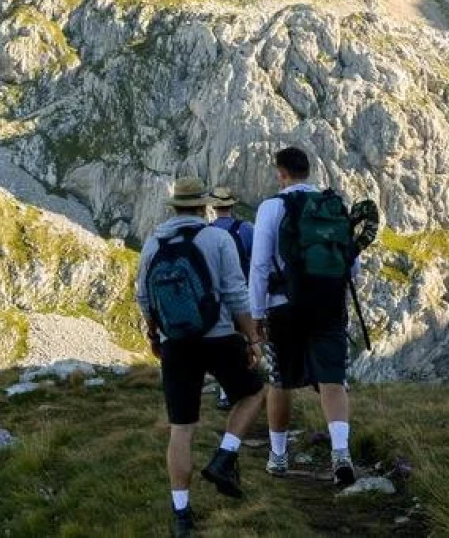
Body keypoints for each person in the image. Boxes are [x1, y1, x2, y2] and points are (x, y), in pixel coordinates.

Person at [136, 176, 267, 537]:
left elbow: (144, 298)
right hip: (221, 336)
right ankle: (225, 456)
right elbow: (236, 294)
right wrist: (252, 339)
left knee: (181, 428)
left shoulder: (153, 242)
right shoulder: (218, 238)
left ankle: (181, 514)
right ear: (204, 206)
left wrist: (154, 335)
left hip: (177, 342)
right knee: (253, 393)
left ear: (175, 207)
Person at [249, 147, 360, 486]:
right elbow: (351, 264)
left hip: (284, 306)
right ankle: (341, 453)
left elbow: (260, 265)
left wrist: (256, 313)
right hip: (329, 304)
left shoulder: (271, 207)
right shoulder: (332, 205)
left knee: (281, 380)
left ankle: (278, 457)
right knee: (333, 379)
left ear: (281, 173)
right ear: (308, 171)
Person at [207, 187, 253, 412]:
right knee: (247, 339)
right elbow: (258, 260)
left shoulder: (207, 232)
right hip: (243, 292)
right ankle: (248, 385)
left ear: (213, 207)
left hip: (217, 298)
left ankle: (226, 393)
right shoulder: (245, 229)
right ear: (232, 206)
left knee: (225, 342)